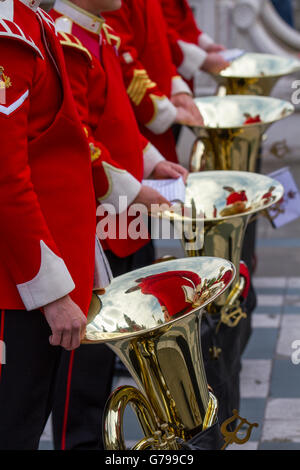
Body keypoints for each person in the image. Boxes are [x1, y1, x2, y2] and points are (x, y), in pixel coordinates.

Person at [49, 0, 190, 450]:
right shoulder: (71, 38)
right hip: (97, 223)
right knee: (84, 375)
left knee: (121, 349)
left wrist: (154, 163)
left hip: (125, 219)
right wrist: (137, 189)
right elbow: (82, 143)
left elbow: (119, 123)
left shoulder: (97, 32)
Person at [0, 0, 112, 450]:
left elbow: (58, 160)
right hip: (18, 288)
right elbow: (6, 177)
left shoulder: (33, 20)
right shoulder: (9, 36)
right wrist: (50, 293)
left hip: (42, 276)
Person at [104, 0, 204, 162]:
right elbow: (123, 59)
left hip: (160, 104)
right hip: (139, 118)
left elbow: (159, 38)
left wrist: (176, 87)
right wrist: (165, 112)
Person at [160, 0, 229, 85]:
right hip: (166, 69)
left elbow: (182, 15)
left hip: (180, 67)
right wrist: (202, 60)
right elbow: (158, 28)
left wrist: (205, 44)